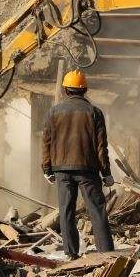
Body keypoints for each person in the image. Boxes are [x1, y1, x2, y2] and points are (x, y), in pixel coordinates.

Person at [41, 70, 115, 259]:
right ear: (85, 90)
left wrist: (47, 169)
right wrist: (106, 173)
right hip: (88, 170)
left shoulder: (53, 112)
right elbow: (101, 147)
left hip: (61, 171)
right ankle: (106, 253)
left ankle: (70, 253)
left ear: (65, 90)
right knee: (97, 210)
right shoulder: (95, 113)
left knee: (66, 211)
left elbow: (46, 143)